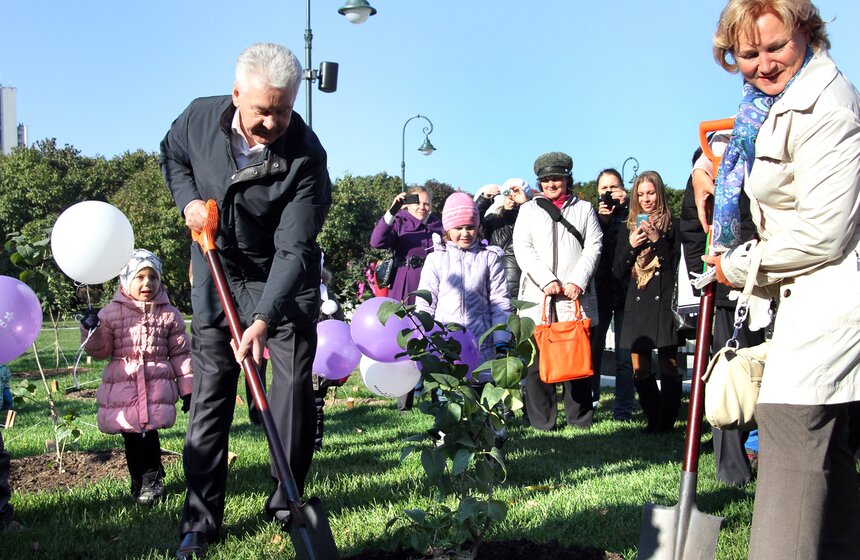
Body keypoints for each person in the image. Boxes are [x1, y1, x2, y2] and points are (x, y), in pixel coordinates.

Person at [701, 2, 860, 557]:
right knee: (830, 458)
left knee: (791, 432)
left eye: (776, 47)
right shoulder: (768, 107)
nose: (764, 64)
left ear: (807, 33)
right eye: (749, 53)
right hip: (810, 297)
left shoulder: (825, 107)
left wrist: (735, 265)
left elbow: (823, 232)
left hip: (831, 300)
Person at [160, 42, 332, 559]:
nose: (273, 121)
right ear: (237, 95)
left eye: (283, 109)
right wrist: (188, 200)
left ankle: (286, 501)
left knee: (293, 390)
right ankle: (201, 519)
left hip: (284, 280)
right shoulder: (197, 118)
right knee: (211, 395)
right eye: (262, 110)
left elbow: (294, 247)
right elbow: (172, 155)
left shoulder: (306, 154)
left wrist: (261, 319)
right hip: (216, 273)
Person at [79, 249, 193, 505]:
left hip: (155, 387)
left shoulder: (168, 314)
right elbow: (100, 350)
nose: (147, 284)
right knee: (131, 438)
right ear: (126, 279)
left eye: (152, 277)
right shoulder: (111, 313)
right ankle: (138, 481)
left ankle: (152, 483)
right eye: (140, 277)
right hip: (125, 387)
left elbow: (180, 353)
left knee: (149, 436)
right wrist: (91, 329)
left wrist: (188, 388)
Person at [681, 142, 764, 485]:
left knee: (767, 375)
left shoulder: (765, 157)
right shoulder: (707, 167)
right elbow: (691, 229)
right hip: (725, 292)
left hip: (770, 282)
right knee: (726, 374)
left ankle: (764, 451)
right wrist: (709, 277)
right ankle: (732, 469)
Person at [512, 152, 602, 431]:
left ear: (567, 179)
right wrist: (545, 279)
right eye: (546, 180)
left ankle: (580, 419)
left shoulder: (584, 209)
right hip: (540, 297)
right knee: (538, 363)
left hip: (576, 296)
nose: (552, 184)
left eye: (557, 179)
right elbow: (522, 248)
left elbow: (594, 245)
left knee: (578, 358)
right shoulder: (528, 210)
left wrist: (577, 281)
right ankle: (543, 421)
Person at [416, 192, 513, 383]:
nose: (465, 233)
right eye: (458, 228)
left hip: (481, 341)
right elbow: (426, 303)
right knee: (450, 400)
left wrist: (501, 340)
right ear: (448, 229)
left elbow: (500, 302)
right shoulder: (436, 259)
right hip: (445, 341)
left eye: (470, 227)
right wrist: (423, 337)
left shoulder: (489, 258)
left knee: (480, 398)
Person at [612, 171, 682, 434]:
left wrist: (657, 239)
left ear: (660, 193)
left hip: (663, 300)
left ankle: (668, 420)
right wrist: (632, 245)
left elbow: (673, 264)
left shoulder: (672, 224)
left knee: (668, 362)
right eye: (640, 194)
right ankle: (653, 420)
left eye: (650, 193)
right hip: (637, 301)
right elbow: (617, 270)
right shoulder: (627, 226)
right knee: (639, 365)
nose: (646, 199)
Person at [370, 186, 443, 411]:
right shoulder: (400, 220)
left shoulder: (437, 225)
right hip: (405, 285)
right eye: (418, 202)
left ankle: (437, 396)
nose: (422, 207)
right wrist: (392, 211)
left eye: (427, 203)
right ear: (408, 204)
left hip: (434, 286)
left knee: (434, 337)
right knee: (405, 339)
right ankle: (405, 399)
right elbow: (377, 242)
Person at [590, 169, 635, 421]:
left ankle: (624, 409)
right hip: (600, 290)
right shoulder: (593, 217)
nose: (608, 193)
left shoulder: (632, 213)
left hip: (627, 290)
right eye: (604, 189)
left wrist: (628, 206)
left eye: (613, 187)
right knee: (593, 352)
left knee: (624, 354)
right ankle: (591, 402)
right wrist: (602, 220)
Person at [474, 178, 533, 299]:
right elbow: (472, 225)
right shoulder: (494, 220)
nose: (512, 200)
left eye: (516, 196)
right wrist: (484, 201)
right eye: (509, 196)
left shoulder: (532, 218)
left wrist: (526, 205)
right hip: (500, 286)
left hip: (530, 285)